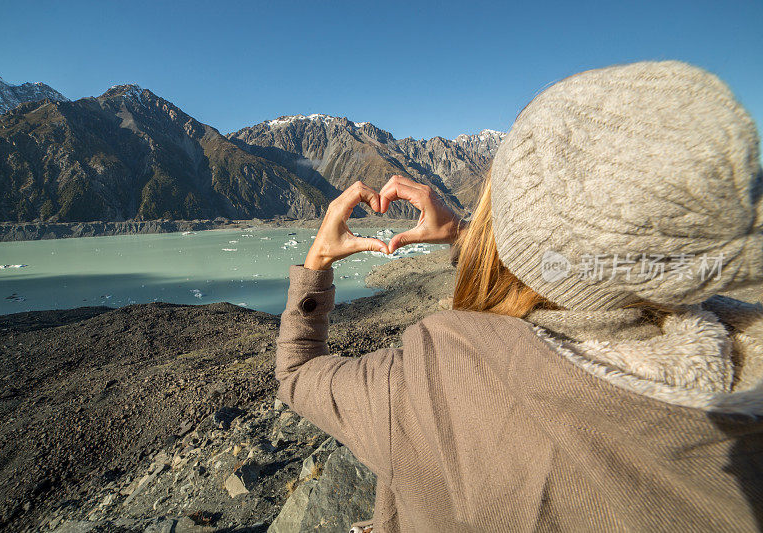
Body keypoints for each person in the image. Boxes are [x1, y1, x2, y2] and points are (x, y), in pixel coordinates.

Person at [275, 60, 763, 532]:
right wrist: (463, 237)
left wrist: (316, 263)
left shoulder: (420, 389)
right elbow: (583, 264)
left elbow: (297, 374)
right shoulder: (742, 381)